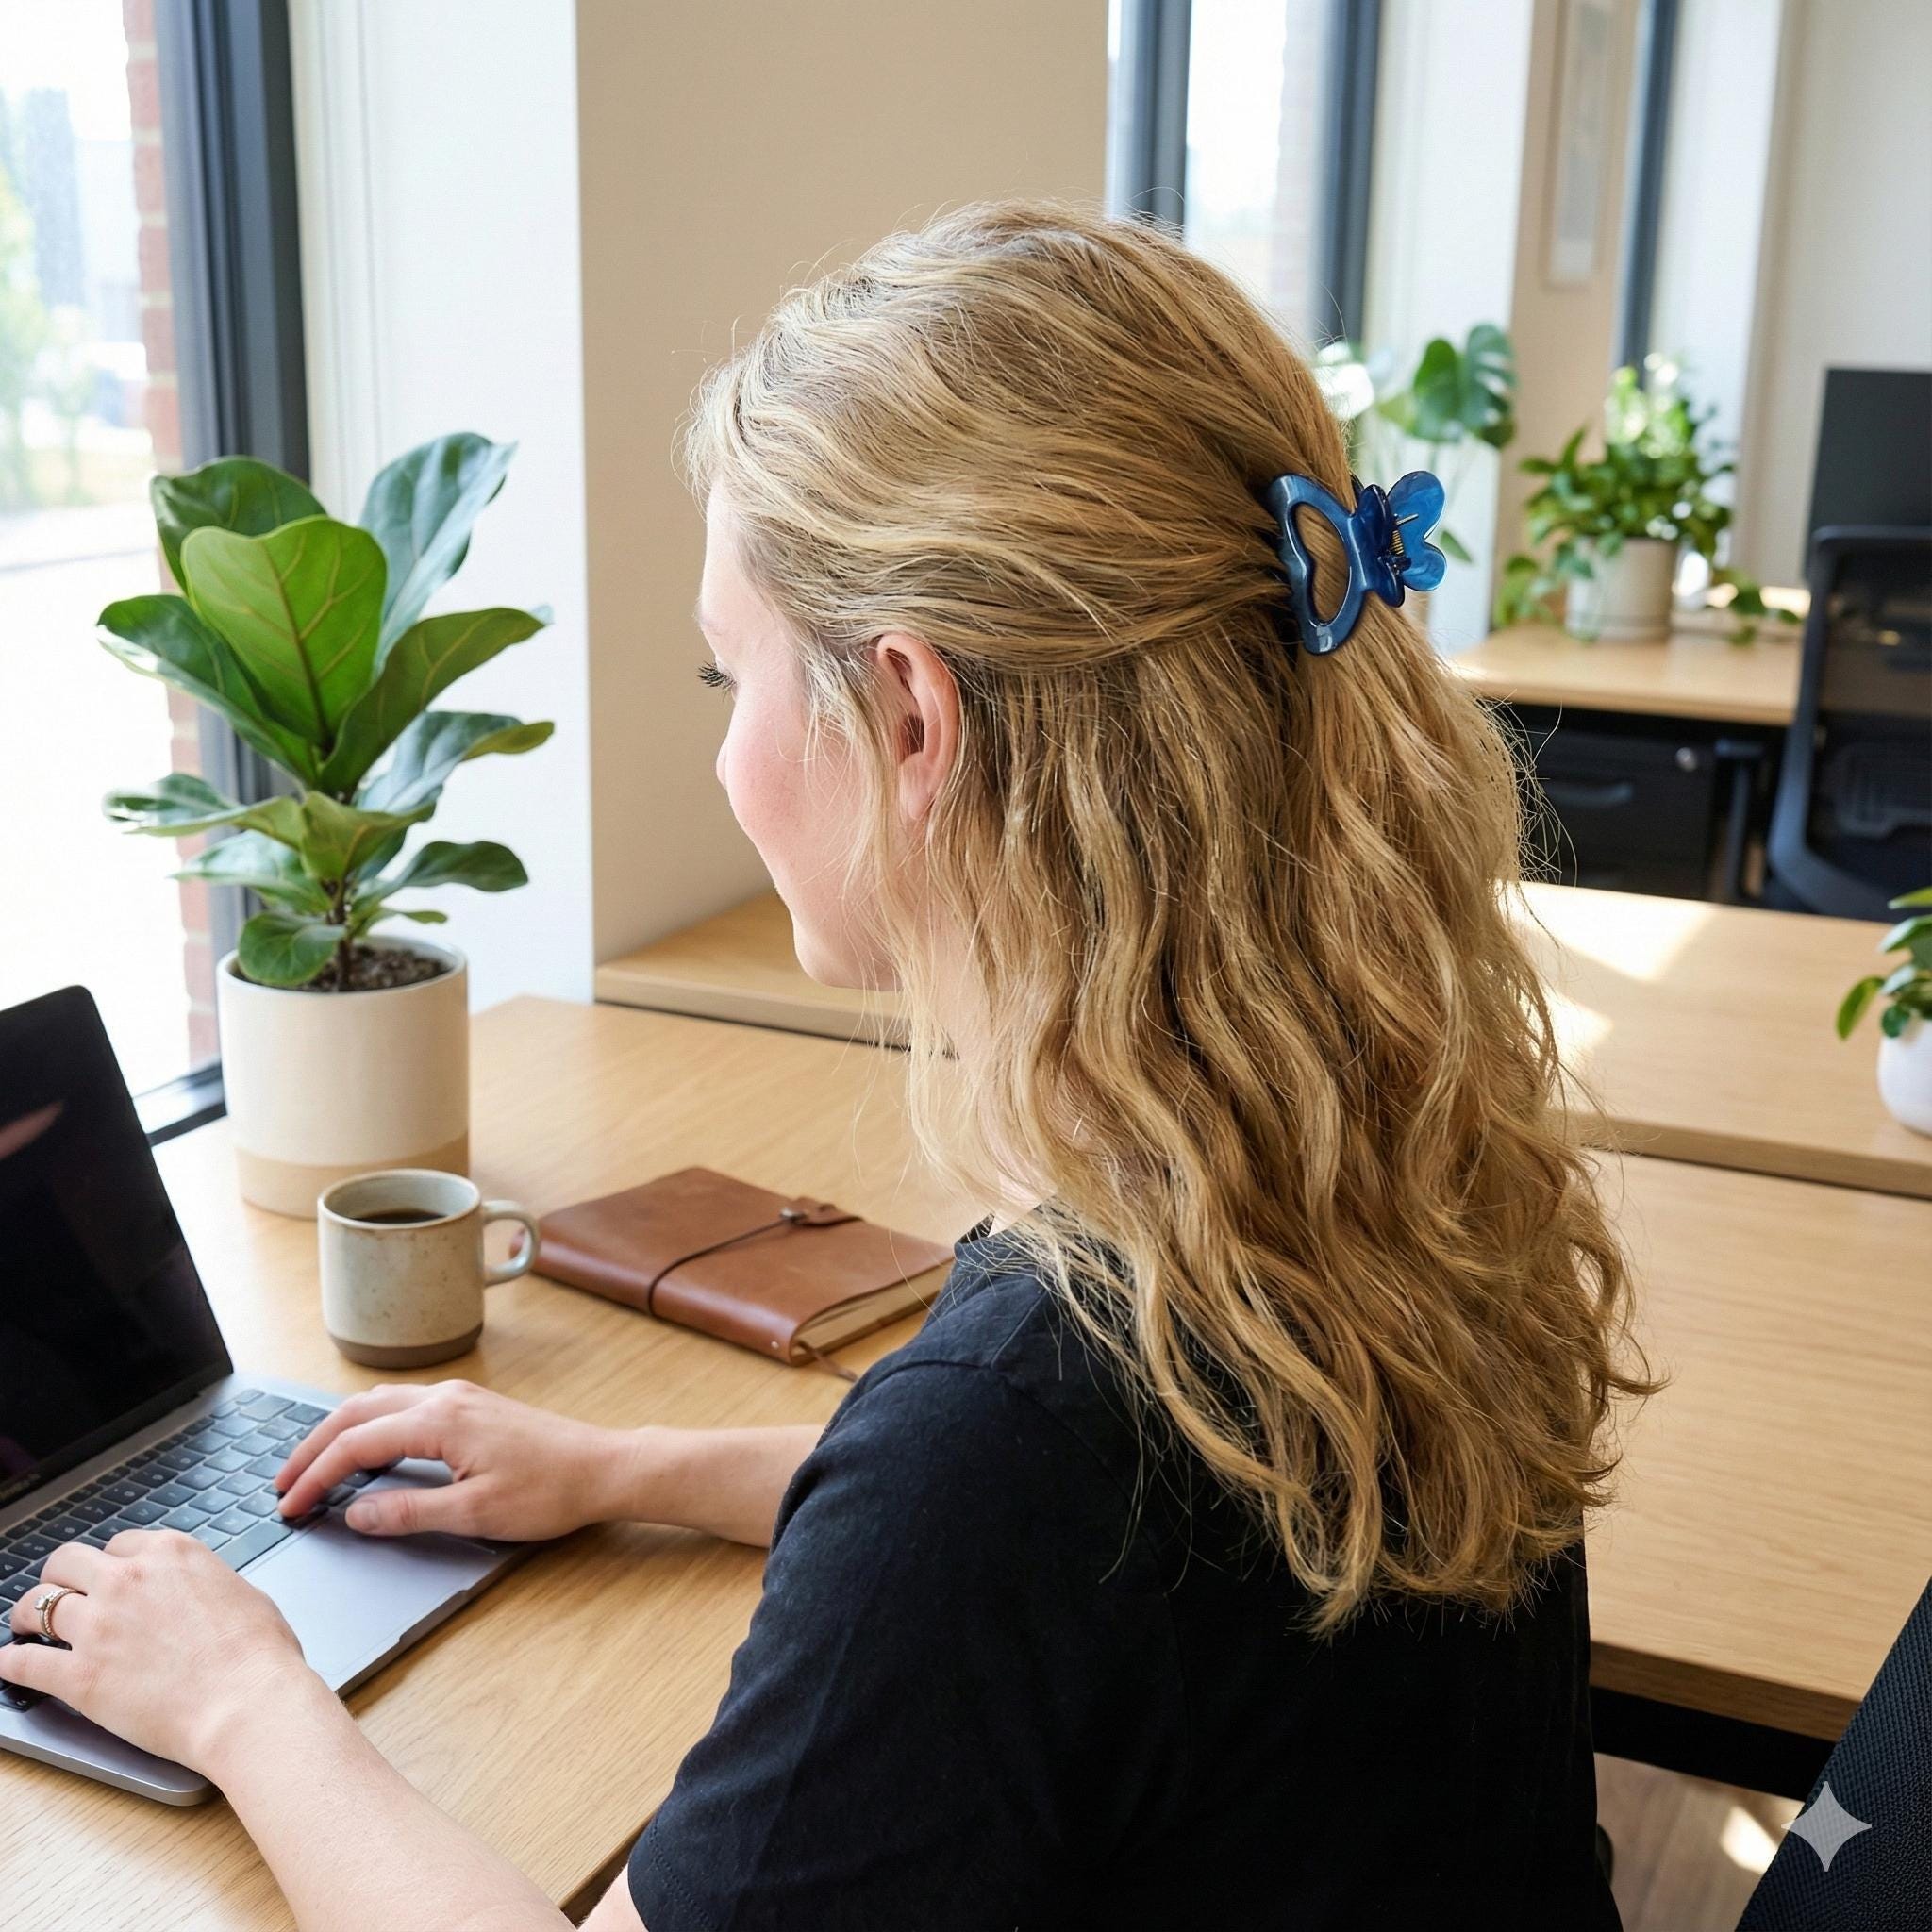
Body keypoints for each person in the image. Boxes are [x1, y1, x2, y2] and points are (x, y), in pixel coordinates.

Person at [2, 201, 1653, 1929]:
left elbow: (1003, 1513)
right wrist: (625, 1468)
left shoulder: (1020, 1433)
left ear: (912, 716)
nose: (724, 757)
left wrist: (245, 1703)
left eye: (729, 675)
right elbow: (1089, 1562)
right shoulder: (1367, 1151)